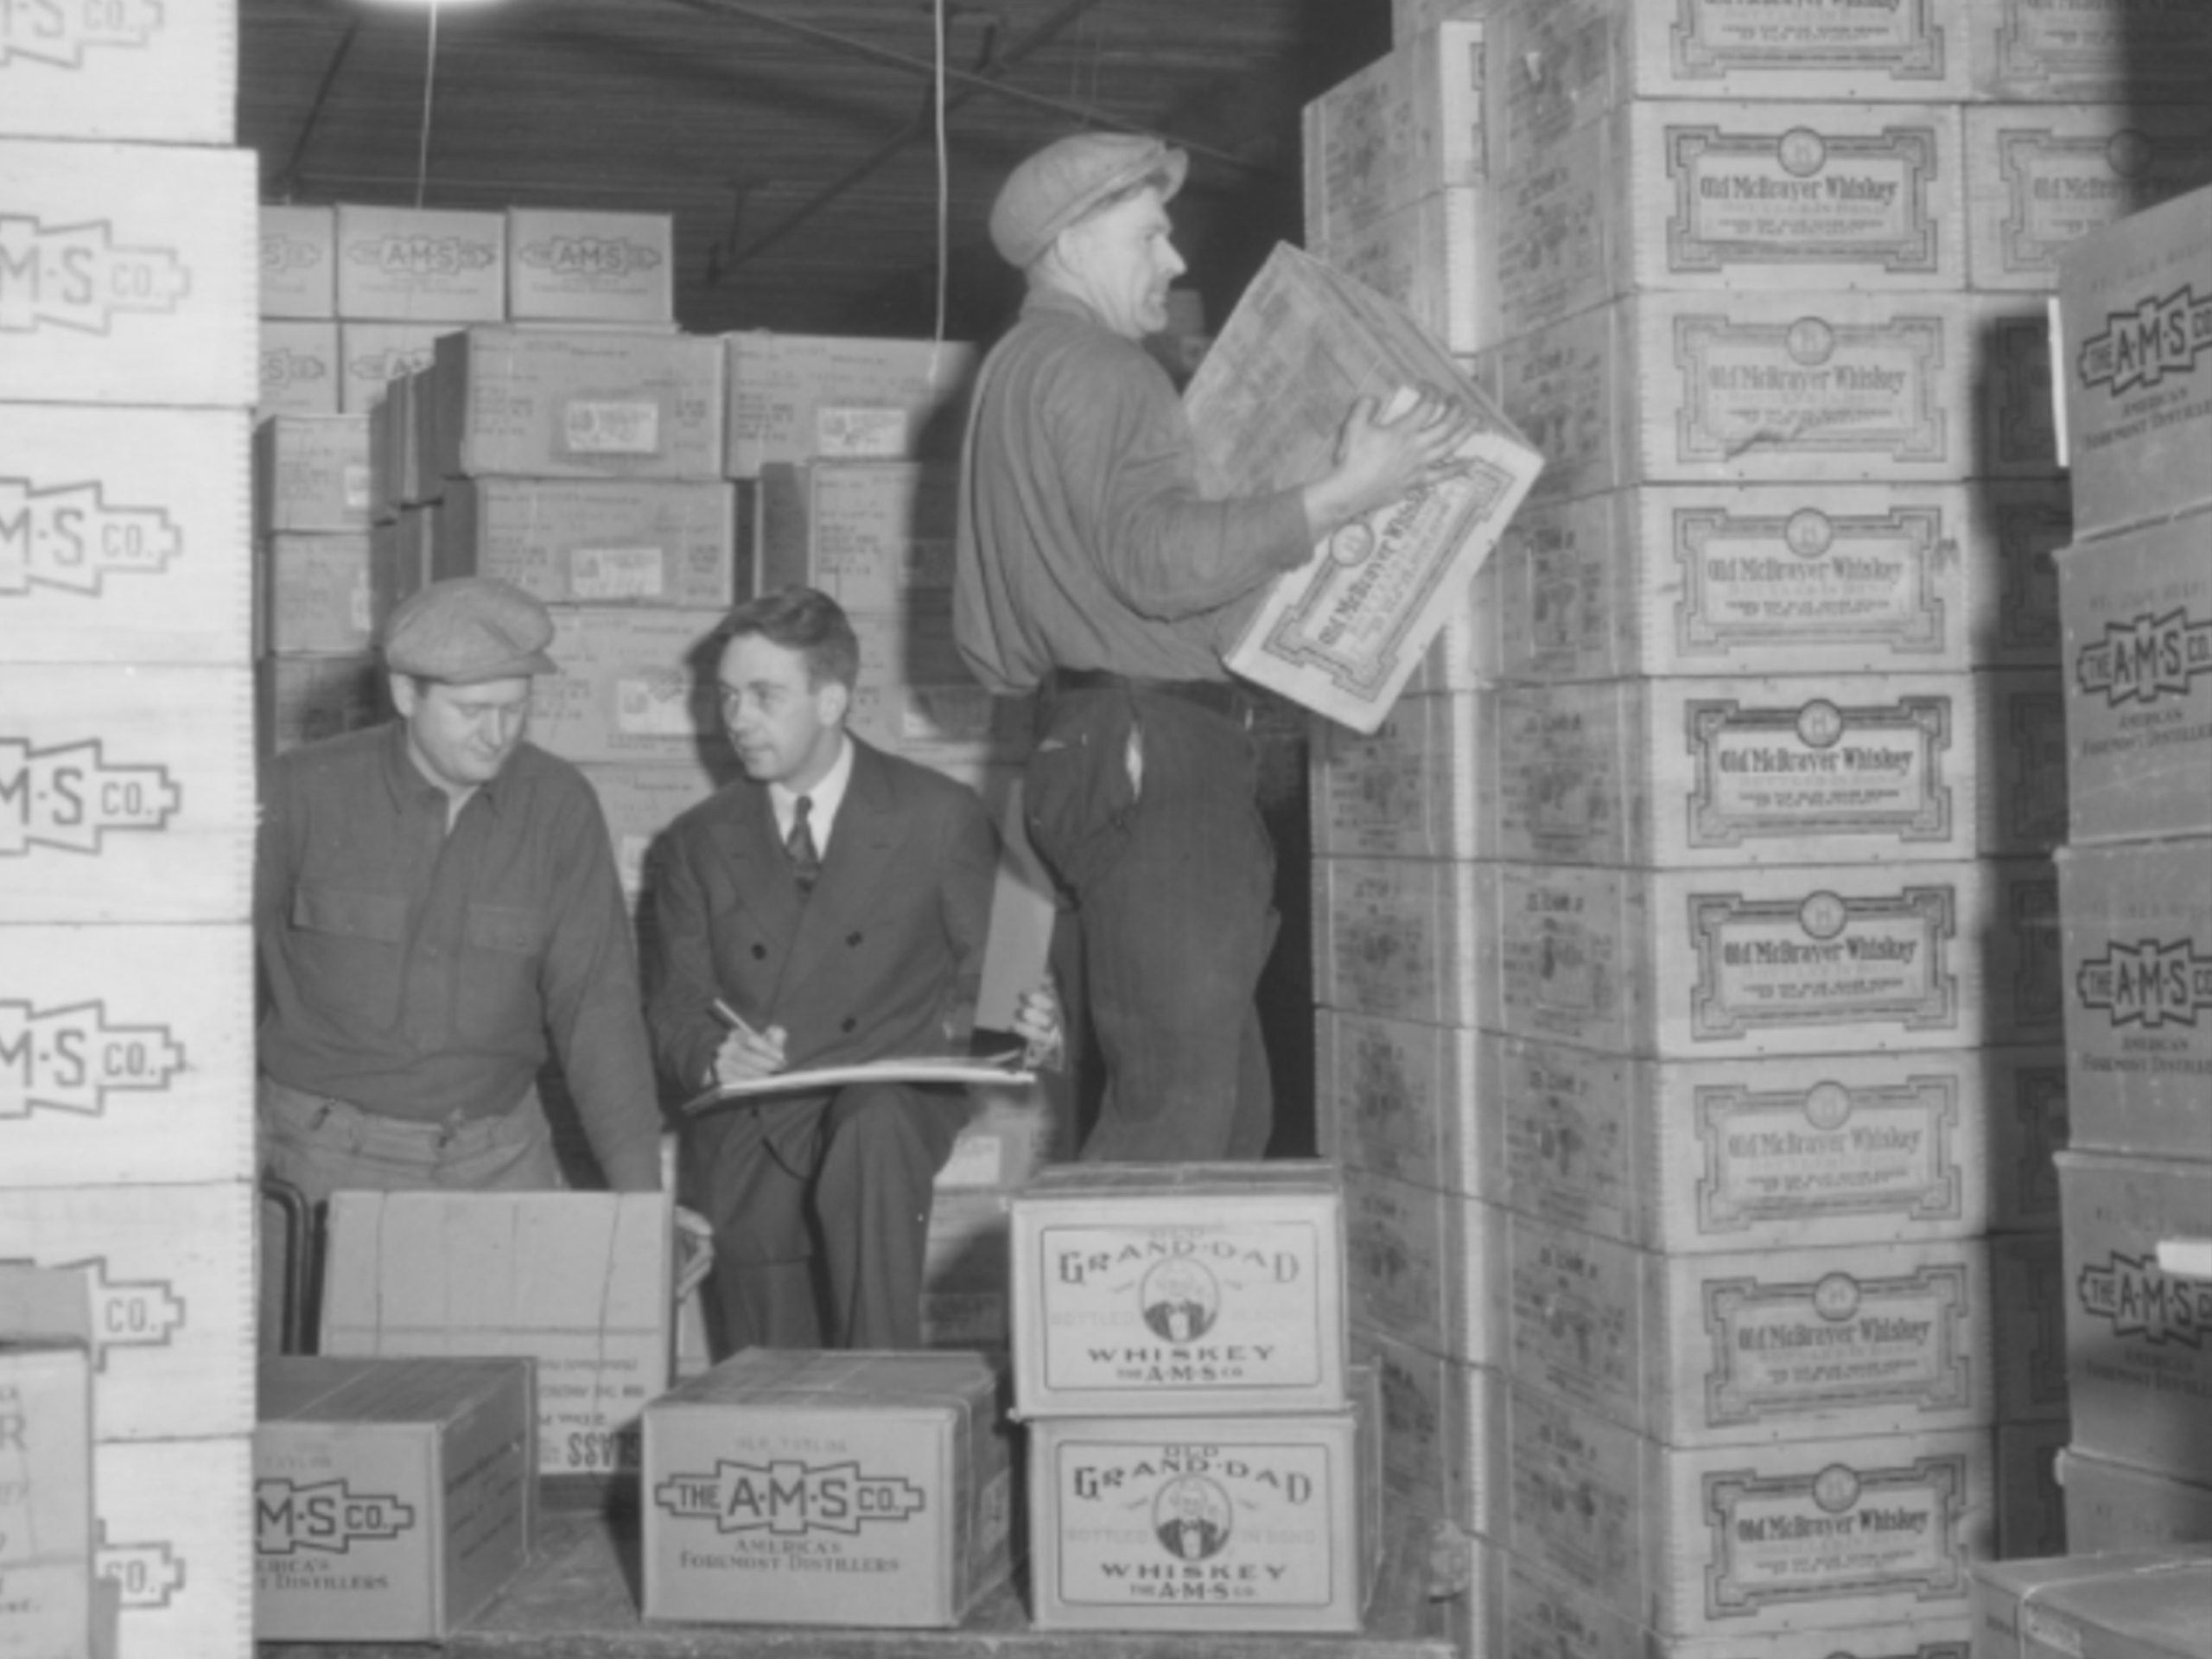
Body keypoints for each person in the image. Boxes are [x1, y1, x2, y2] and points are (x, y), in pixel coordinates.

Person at [955, 130, 1476, 1162]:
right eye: (1149, 235)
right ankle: (1097, 1322)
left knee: (1225, 1116)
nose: (1174, 260)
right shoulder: (1105, 368)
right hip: (1160, 758)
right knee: (1178, 1117)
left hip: (1083, 742)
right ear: (1072, 244)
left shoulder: (1013, 373)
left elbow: (989, 641)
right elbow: (1155, 560)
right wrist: (1342, 494)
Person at [645, 587, 1056, 1353]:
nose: (738, 719)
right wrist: (714, 1052)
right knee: (773, 1396)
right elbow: (672, 1012)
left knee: (873, 1124)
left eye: (764, 696)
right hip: (754, 1124)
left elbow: (999, 980)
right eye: (728, 696)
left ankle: (888, 1390)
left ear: (832, 700)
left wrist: (1029, 1019)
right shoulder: (696, 842)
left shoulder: (936, 815)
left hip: (889, 1104)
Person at [255, 576, 668, 1206]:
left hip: (497, 1161)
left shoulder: (559, 807)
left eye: (514, 709)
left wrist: (642, 1200)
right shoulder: (303, 791)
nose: (496, 734)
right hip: (323, 1160)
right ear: (405, 694)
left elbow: (596, 1008)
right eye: (471, 712)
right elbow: (211, 979)